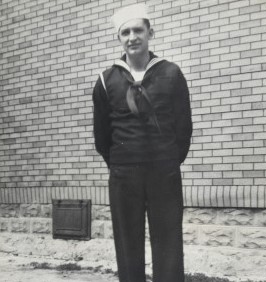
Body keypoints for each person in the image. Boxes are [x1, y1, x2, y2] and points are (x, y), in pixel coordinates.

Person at [92, 3, 193, 282]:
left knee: (169, 242)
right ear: (119, 38)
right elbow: (102, 135)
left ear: (150, 32)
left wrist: (168, 159)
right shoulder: (105, 80)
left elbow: (183, 127)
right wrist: (122, 163)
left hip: (164, 172)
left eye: (138, 30)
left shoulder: (171, 73)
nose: (132, 37)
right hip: (124, 175)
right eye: (126, 32)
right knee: (127, 246)